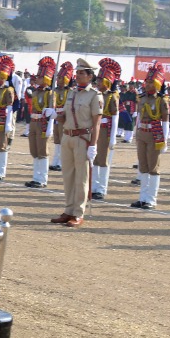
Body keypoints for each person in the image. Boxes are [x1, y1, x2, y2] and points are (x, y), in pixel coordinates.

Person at [55, 59, 103, 226]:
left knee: (81, 177)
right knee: (68, 175)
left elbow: (96, 122)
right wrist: (55, 115)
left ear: (90, 76)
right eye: (77, 72)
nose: (77, 75)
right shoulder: (72, 93)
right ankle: (68, 210)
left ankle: (78, 213)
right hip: (67, 136)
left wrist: (93, 145)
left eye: (82, 73)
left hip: (83, 138)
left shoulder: (95, 95)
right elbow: (66, 117)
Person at [132, 61, 170, 210]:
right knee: (143, 166)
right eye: (146, 82)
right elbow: (139, 117)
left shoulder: (161, 100)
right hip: (142, 133)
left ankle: (151, 199)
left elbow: (165, 121)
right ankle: (143, 198)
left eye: (150, 82)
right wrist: (136, 132)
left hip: (155, 135)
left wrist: (164, 141)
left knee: (153, 167)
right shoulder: (142, 98)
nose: (147, 85)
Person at [89, 59, 122, 200]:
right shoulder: (96, 94)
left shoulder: (112, 96)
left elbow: (115, 117)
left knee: (103, 160)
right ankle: (94, 186)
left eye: (101, 80)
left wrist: (113, 137)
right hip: (95, 128)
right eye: (98, 80)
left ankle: (101, 188)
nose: (98, 83)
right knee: (94, 159)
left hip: (105, 129)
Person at [25, 58, 57, 188]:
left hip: (43, 123)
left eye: (39, 77)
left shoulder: (50, 93)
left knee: (42, 151)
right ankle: (35, 177)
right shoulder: (36, 92)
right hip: (34, 121)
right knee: (34, 150)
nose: (36, 79)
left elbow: (52, 111)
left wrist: (50, 127)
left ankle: (42, 178)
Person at [50, 61, 73, 172]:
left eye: (61, 78)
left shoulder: (70, 92)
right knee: (57, 140)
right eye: (58, 78)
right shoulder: (54, 91)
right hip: (55, 117)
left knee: (63, 140)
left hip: (64, 118)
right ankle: (55, 161)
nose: (58, 80)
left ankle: (61, 162)